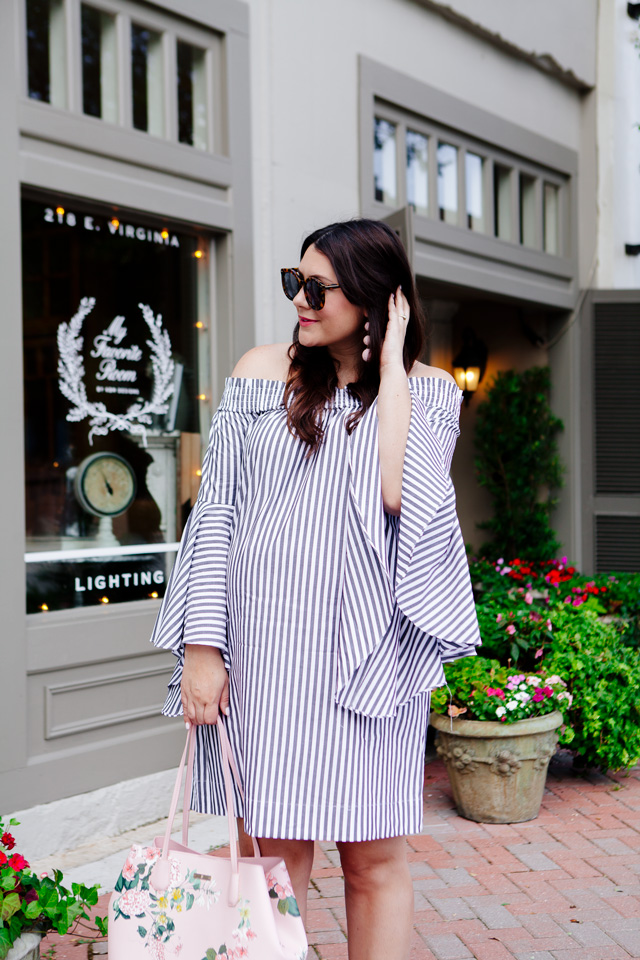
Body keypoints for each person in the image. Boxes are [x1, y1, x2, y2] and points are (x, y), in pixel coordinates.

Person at [151, 218, 481, 960]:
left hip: (369, 657)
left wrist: (391, 364)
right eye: (293, 282)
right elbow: (218, 513)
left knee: (373, 862)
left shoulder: (425, 391)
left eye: (318, 287)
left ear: (375, 299)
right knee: (272, 862)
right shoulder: (260, 371)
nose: (300, 299)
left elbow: (402, 496)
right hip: (266, 656)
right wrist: (202, 646)